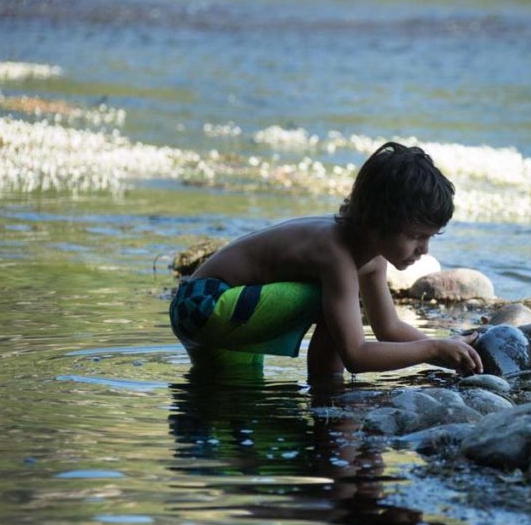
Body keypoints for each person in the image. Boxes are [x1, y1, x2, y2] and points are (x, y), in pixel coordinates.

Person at [168, 141, 483, 379]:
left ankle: (326, 394)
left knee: (228, 399)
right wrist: (432, 348)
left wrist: (447, 350)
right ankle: (327, 395)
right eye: (416, 236)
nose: (424, 249)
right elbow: (356, 355)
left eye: (430, 237)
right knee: (331, 303)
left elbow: (389, 327)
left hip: (229, 317)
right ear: (377, 222)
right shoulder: (336, 253)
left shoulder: (372, 258)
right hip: (202, 304)